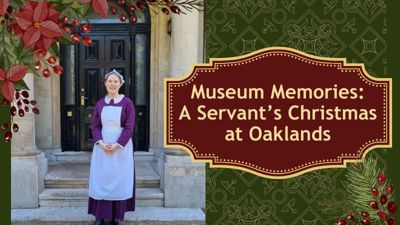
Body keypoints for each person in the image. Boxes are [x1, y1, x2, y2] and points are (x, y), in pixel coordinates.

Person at [88, 69, 136, 225]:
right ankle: (99, 217)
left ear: (120, 84)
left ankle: (116, 216)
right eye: (110, 81)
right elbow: (94, 126)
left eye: (116, 81)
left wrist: (117, 145)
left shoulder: (127, 103)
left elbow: (129, 127)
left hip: (121, 147)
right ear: (105, 84)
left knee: (119, 179)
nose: (112, 84)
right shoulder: (100, 104)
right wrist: (101, 143)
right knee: (101, 179)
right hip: (102, 146)